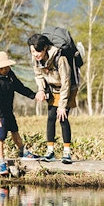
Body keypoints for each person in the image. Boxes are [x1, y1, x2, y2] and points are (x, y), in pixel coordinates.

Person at [28, 33, 75, 164]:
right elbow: (38, 75)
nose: (35, 54)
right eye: (32, 51)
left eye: (38, 51)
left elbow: (67, 82)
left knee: (63, 117)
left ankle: (67, 153)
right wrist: (41, 90)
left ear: (45, 48)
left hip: (67, 89)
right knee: (51, 118)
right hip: (53, 88)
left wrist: (62, 105)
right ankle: (50, 151)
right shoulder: (36, 59)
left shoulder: (60, 59)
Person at [0, 50, 37, 175]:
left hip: (9, 112)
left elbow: (19, 87)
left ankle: (23, 151)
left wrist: (33, 95)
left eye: (7, 67)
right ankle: (1, 163)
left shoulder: (10, 76)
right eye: (2, 68)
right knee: (0, 138)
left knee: (15, 131)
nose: (5, 69)